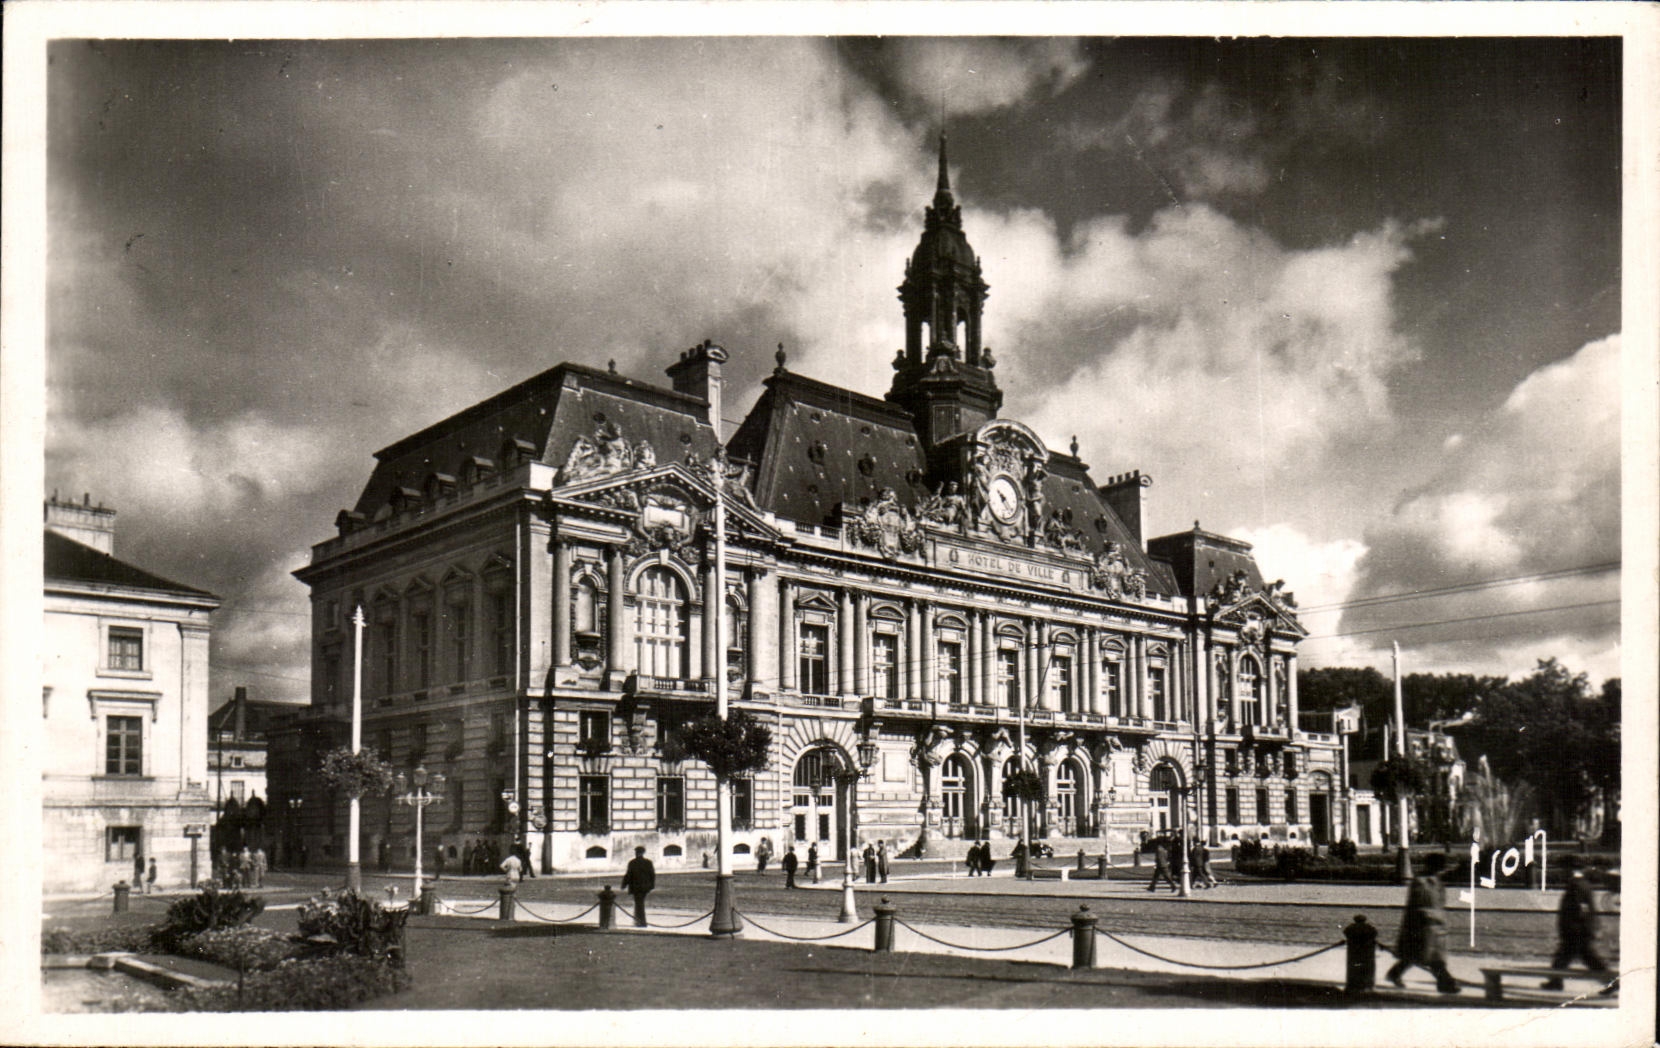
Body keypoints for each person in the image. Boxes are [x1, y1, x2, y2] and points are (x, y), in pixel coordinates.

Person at [1386, 853, 1461, 994]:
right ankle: (1445, 984)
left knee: (1416, 956)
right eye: (1440, 867)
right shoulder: (1421, 882)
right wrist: (1433, 917)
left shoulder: (1436, 881)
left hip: (1435, 927)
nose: (1442, 870)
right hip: (1424, 927)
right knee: (1433, 959)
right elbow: (1418, 905)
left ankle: (1394, 974)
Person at [1544, 855, 1609, 992]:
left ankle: (1612, 983)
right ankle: (1555, 981)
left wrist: (1576, 929)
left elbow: (1581, 909)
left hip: (1577, 931)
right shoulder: (1581, 884)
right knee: (1565, 957)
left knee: (1588, 958)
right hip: (1578, 930)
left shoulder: (1576, 885)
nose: (1562, 872)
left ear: (1570, 869)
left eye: (1563, 869)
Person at [621, 846, 656, 927]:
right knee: (640, 903)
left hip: (635, 887)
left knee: (639, 903)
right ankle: (640, 921)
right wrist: (651, 886)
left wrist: (624, 885)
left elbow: (628, 875)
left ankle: (640, 921)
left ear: (636, 853)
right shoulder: (648, 862)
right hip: (645, 887)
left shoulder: (632, 862)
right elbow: (652, 875)